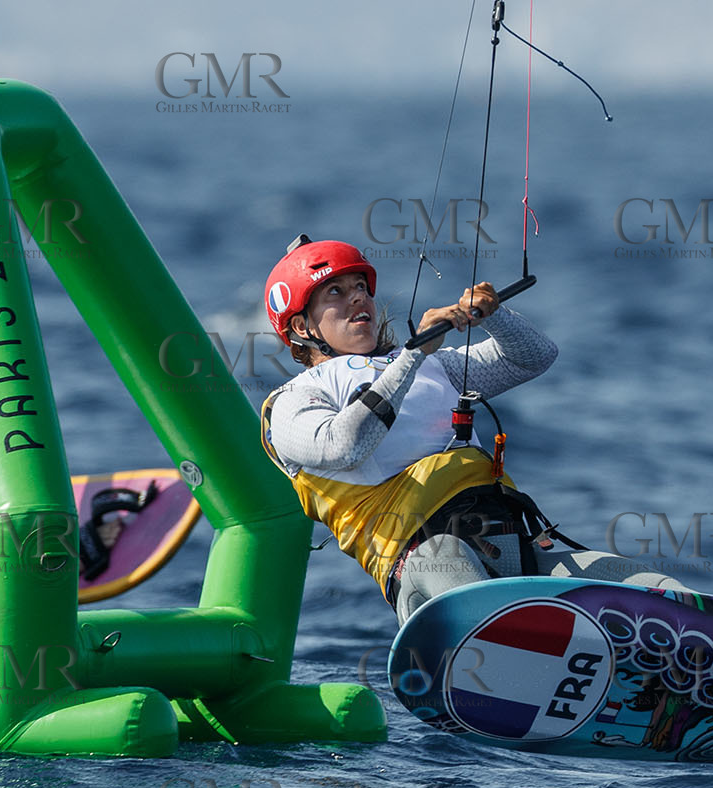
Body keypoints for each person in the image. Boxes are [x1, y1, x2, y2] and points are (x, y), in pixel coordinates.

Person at [259, 235, 685, 623]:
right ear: (301, 327)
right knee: (446, 554)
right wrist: (411, 356)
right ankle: (500, 646)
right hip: (423, 567)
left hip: (513, 548)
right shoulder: (292, 399)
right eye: (337, 291)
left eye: (361, 287)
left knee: (651, 591)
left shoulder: (435, 365)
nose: (358, 299)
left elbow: (532, 358)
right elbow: (343, 446)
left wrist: (493, 315)